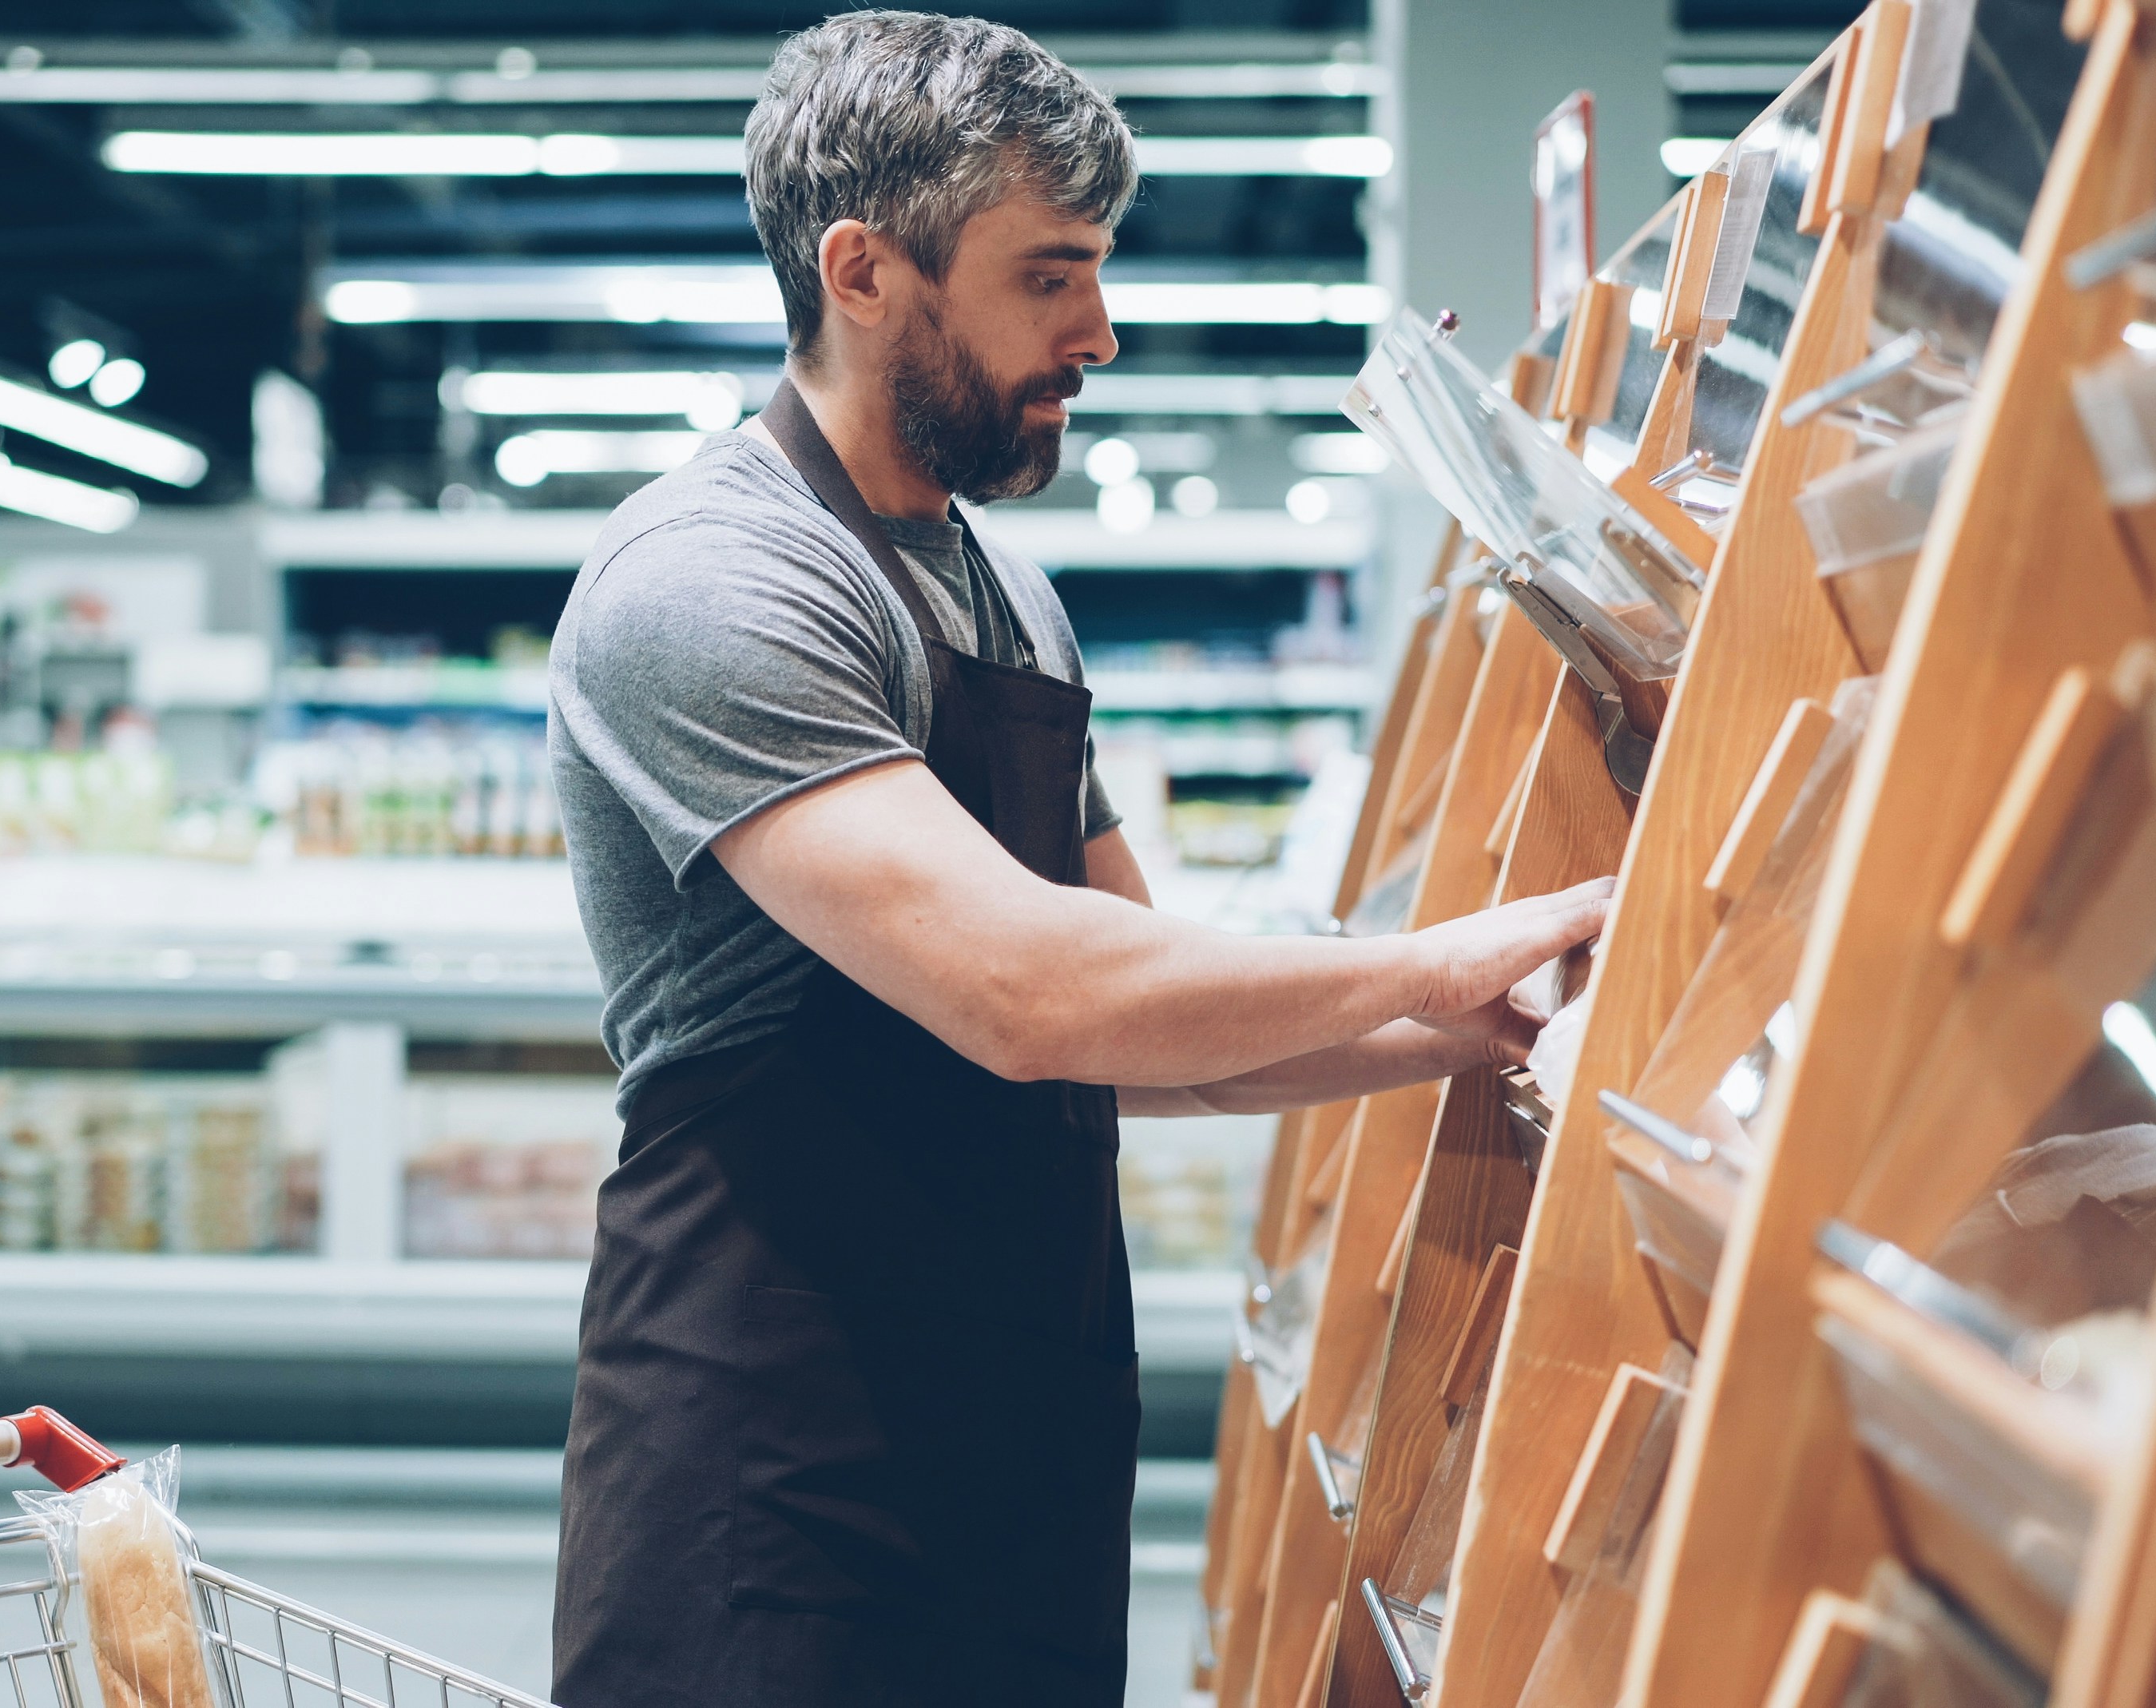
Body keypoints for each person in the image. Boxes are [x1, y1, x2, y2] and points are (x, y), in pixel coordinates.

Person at [542, 15, 1613, 1705]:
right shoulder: (711, 583)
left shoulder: (1003, 595)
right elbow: (1028, 992)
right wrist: (1451, 950)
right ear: (864, 270)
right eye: (1049, 277)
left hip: (1012, 1460)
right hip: (775, 1480)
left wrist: (1491, 1028)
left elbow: (1146, 1041)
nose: (1097, 332)